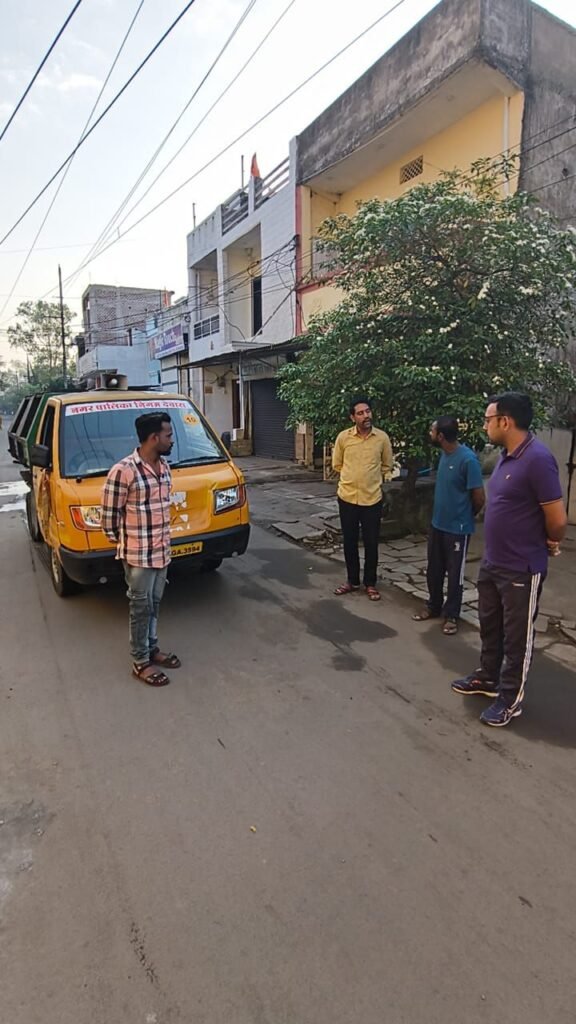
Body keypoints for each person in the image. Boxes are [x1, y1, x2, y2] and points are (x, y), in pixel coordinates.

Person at [451, 393, 567, 727]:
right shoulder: (506, 457)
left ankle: (510, 699)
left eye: (488, 419)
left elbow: (557, 518)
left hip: (521, 567)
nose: (484, 425)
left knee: (517, 637)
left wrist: (551, 541)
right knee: (490, 625)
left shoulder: (538, 459)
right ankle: (488, 677)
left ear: (505, 421)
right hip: (494, 562)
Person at [102, 412, 181, 687]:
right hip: (138, 556)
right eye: (169, 435)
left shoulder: (164, 467)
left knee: (154, 604)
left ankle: (151, 649)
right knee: (140, 608)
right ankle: (140, 662)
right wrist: (128, 545)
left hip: (161, 551)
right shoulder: (124, 471)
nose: (172, 440)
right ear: (154, 438)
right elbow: (109, 517)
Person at [413, 416, 484, 635]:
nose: (430, 434)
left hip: (458, 529)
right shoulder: (443, 455)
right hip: (438, 524)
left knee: (454, 575)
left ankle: (452, 614)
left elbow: (479, 497)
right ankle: (433, 605)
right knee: (434, 570)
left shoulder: (468, 460)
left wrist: (465, 517)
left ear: (441, 436)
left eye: (432, 431)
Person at [332, 396, 394, 602]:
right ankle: (352, 581)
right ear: (353, 417)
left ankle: (370, 583)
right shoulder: (343, 438)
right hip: (347, 497)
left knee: (371, 543)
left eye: (368, 411)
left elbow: (386, 465)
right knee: (349, 542)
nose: (366, 415)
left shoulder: (382, 438)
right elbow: (337, 464)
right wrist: (352, 479)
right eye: (360, 413)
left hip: (372, 499)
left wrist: (371, 480)